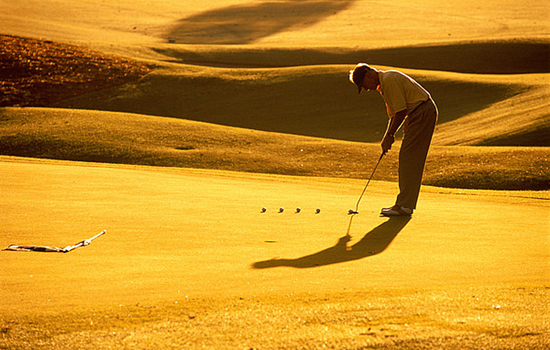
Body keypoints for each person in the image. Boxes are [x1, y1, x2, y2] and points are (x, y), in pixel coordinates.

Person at [349, 63, 438, 217]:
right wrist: (388, 136)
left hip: (422, 112)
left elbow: (401, 111)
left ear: (369, 75)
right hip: (416, 114)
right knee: (408, 158)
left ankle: (404, 206)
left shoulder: (389, 79)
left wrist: (390, 135)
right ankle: (404, 204)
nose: (367, 89)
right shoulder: (383, 86)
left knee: (409, 158)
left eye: (364, 85)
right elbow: (394, 115)